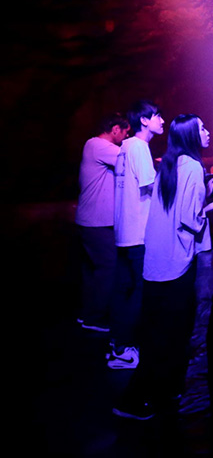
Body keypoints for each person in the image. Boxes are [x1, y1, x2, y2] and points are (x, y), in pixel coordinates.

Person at [113, 114, 213, 420]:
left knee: (158, 332)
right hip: (176, 263)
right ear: (191, 135)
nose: (207, 132)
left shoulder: (170, 164)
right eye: (202, 128)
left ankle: (163, 393)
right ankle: (132, 402)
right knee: (170, 335)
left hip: (156, 262)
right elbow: (190, 219)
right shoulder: (192, 167)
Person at [108, 100, 164, 369]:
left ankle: (117, 345)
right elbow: (151, 186)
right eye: (158, 116)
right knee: (140, 291)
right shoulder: (140, 147)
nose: (162, 121)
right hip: (139, 232)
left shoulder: (125, 146)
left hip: (123, 232)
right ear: (144, 120)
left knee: (123, 290)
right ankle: (125, 349)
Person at [74, 112, 130, 332]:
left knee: (93, 270)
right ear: (115, 129)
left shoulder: (93, 146)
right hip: (97, 223)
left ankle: (86, 314)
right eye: (125, 132)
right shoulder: (99, 146)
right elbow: (131, 160)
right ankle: (95, 319)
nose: (126, 137)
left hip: (90, 221)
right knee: (108, 267)